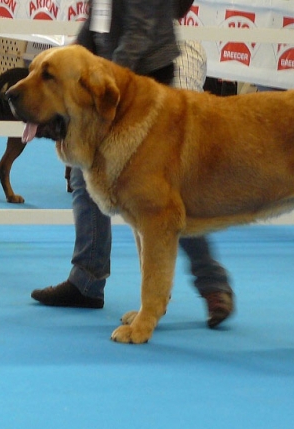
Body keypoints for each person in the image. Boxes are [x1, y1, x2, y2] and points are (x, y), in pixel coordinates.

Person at [31, 0, 235, 328]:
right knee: (88, 175)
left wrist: (100, 78)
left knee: (163, 198)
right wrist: (70, 61)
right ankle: (87, 280)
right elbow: (94, 25)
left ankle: (213, 284)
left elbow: (140, 31)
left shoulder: (110, 75)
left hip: (139, 80)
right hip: (107, 80)